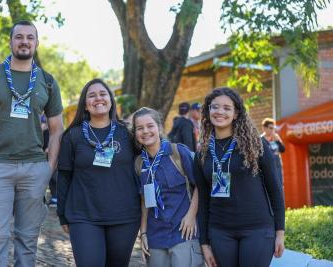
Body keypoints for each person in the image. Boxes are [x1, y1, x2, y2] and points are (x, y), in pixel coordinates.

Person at [0, 20, 64, 266]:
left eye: (30, 37)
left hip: (34, 170)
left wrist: (48, 168)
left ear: (36, 43)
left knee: (28, 242)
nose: (24, 41)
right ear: (10, 41)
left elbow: (56, 129)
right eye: (19, 37)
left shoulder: (48, 81)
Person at [194, 87, 285, 267]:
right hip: (220, 232)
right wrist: (204, 243)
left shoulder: (255, 145)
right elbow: (203, 200)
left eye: (227, 108)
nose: (220, 112)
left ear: (236, 114)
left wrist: (280, 232)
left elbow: (275, 189)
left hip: (257, 230)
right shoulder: (202, 153)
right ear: (208, 111)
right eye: (215, 107)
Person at [57, 78, 141, 267]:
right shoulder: (73, 136)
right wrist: (62, 213)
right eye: (92, 96)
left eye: (103, 94)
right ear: (85, 105)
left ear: (111, 100)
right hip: (83, 215)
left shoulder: (128, 133)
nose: (98, 99)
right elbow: (63, 177)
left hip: (124, 216)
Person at [132, 107, 205, 267]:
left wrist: (191, 215)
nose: (145, 131)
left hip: (184, 232)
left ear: (159, 127)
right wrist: (143, 232)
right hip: (155, 236)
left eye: (150, 126)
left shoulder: (177, 152)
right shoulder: (139, 163)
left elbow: (201, 185)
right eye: (140, 128)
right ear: (135, 133)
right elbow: (145, 200)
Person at [261, 118, 285, 187]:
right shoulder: (260, 139)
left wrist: (276, 139)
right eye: (270, 128)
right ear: (264, 128)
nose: (272, 130)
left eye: (273, 128)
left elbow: (282, 150)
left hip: (277, 167)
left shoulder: (276, 137)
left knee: (279, 186)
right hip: (267, 168)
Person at [41, 114, 58, 207]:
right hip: (43, 158)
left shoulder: (49, 132)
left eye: (43, 123)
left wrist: (48, 149)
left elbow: (51, 145)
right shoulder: (40, 133)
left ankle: (55, 196)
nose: (42, 125)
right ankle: (44, 198)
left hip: (51, 157)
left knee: (54, 177)